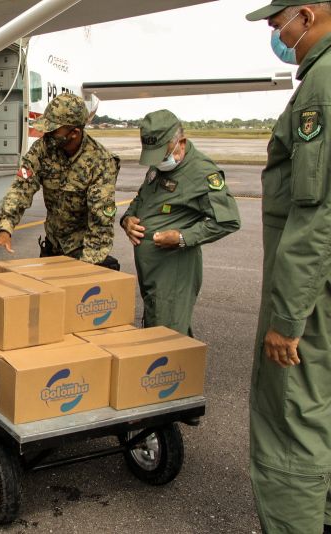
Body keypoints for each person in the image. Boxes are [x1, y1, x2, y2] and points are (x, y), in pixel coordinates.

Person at [246, 2, 331, 532]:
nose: (278, 35)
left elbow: (316, 213)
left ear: (306, 14)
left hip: (312, 291)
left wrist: (287, 319)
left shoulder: (321, 84)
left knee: (289, 420)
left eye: (279, 25)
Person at [120, 110, 240, 336]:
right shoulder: (162, 161)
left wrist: (182, 237)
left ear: (180, 143)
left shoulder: (203, 173)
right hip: (152, 272)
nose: (157, 163)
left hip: (173, 272)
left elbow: (229, 221)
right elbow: (142, 198)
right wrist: (127, 220)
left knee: (167, 338)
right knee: (162, 329)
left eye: (162, 156)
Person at [0, 93, 120, 267]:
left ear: (74, 132)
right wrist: (5, 228)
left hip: (84, 251)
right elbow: (21, 188)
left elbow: (101, 225)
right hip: (52, 246)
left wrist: (83, 270)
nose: (46, 133)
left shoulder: (101, 162)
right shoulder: (43, 149)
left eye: (53, 130)